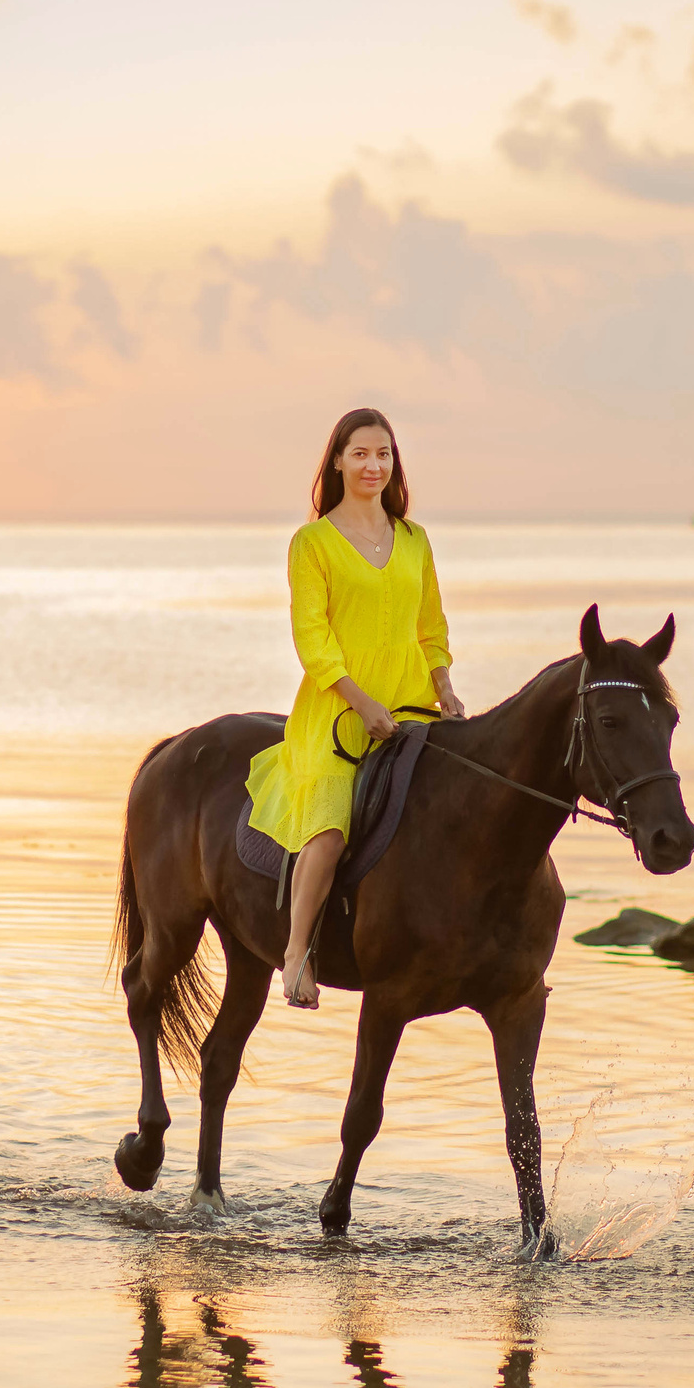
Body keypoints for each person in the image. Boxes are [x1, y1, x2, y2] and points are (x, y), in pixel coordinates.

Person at [245, 408, 466, 1010]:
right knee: (330, 826)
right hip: (339, 713)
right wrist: (361, 701)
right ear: (337, 461)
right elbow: (313, 641)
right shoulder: (312, 542)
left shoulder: (415, 539)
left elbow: (432, 626)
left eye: (384, 455)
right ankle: (296, 955)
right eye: (361, 454)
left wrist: (444, 686)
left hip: (413, 707)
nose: (373, 466)